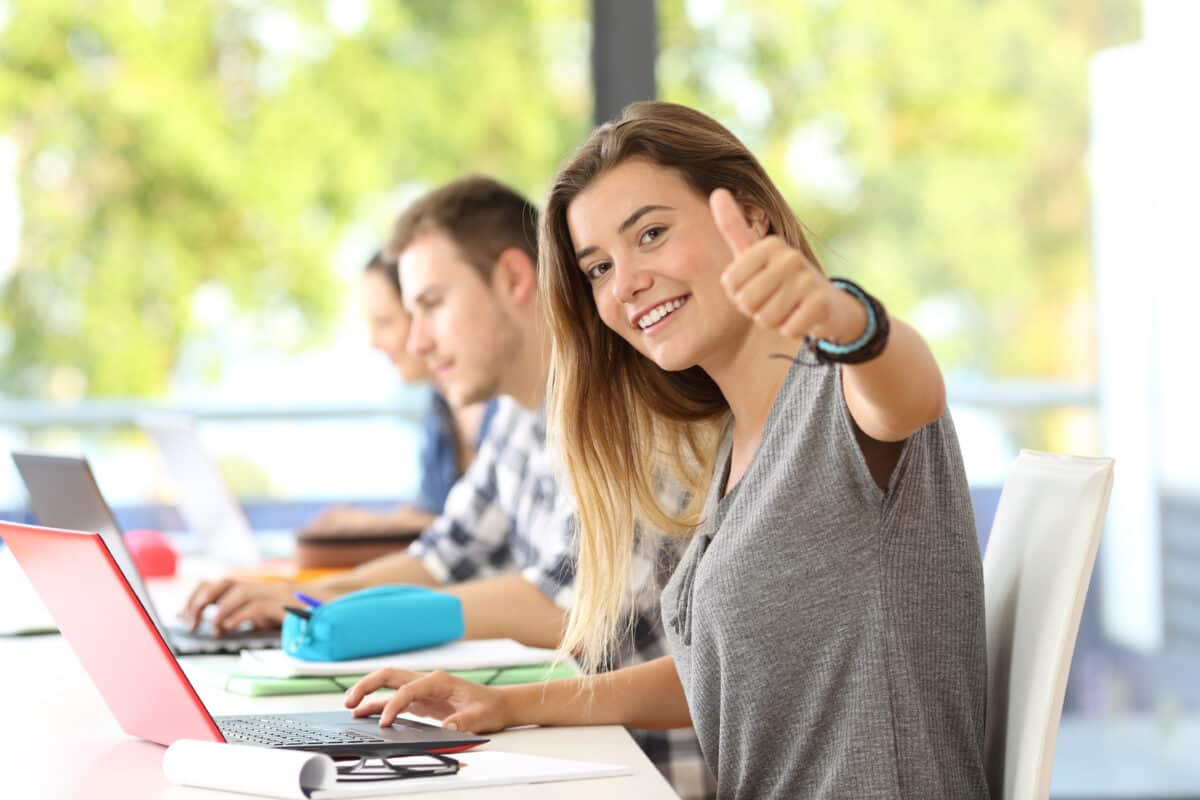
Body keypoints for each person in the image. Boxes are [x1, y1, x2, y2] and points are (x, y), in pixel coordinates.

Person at [342, 103, 989, 799]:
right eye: (598, 269)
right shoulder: (732, 445)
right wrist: (509, 705)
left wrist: (846, 317)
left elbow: (911, 393)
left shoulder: (838, 391)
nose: (625, 283)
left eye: (651, 234)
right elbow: (711, 676)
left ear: (750, 215)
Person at [182, 176, 715, 800]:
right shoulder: (520, 412)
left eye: (432, 304)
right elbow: (443, 554)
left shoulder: (627, 412)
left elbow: (570, 607)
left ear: (515, 280)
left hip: (646, 775)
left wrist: (362, 617)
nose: (416, 342)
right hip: (576, 750)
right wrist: (310, 599)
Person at [298, 250, 495, 537]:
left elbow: (491, 532)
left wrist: (376, 525)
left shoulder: (513, 407)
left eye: (384, 322)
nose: (373, 342)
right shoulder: (438, 412)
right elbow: (438, 517)